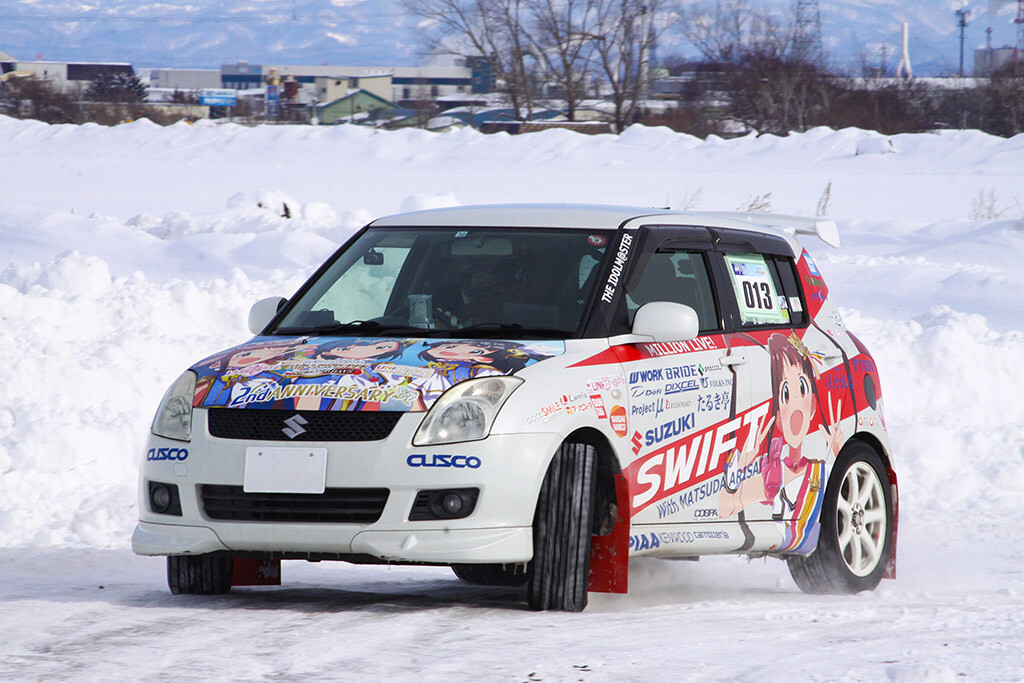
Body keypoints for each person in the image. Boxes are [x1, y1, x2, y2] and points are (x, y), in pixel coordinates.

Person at [718, 332, 843, 553]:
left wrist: (839, 456)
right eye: (786, 393)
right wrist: (739, 464)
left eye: (802, 388)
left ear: (813, 404)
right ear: (778, 413)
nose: (795, 403)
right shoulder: (773, 475)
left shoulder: (820, 469)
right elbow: (725, 506)